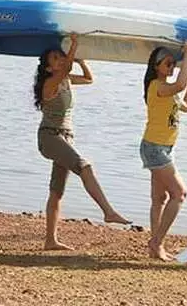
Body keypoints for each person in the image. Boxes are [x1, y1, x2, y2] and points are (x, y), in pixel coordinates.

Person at [34, 34, 130, 250]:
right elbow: (66, 70)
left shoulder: (65, 79)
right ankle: (108, 211)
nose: (61, 60)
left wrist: (81, 60)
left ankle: (50, 240)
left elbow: (89, 79)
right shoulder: (50, 83)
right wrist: (75, 45)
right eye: (56, 58)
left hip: (65, 137)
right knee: (84, 166)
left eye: (61, 57)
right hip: (50, 137)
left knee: (57, 191)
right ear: (49, 68)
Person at [140, 41, 187, 261]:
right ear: (156, 66)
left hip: (163, 147)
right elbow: (178, 86)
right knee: (179, 194)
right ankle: (157, 241)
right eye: (168, 64)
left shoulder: (168, 90)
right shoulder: (156, 86)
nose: (172, 67)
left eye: (174, 64)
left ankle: (155, 247)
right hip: (155, 148)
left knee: (160, 198)